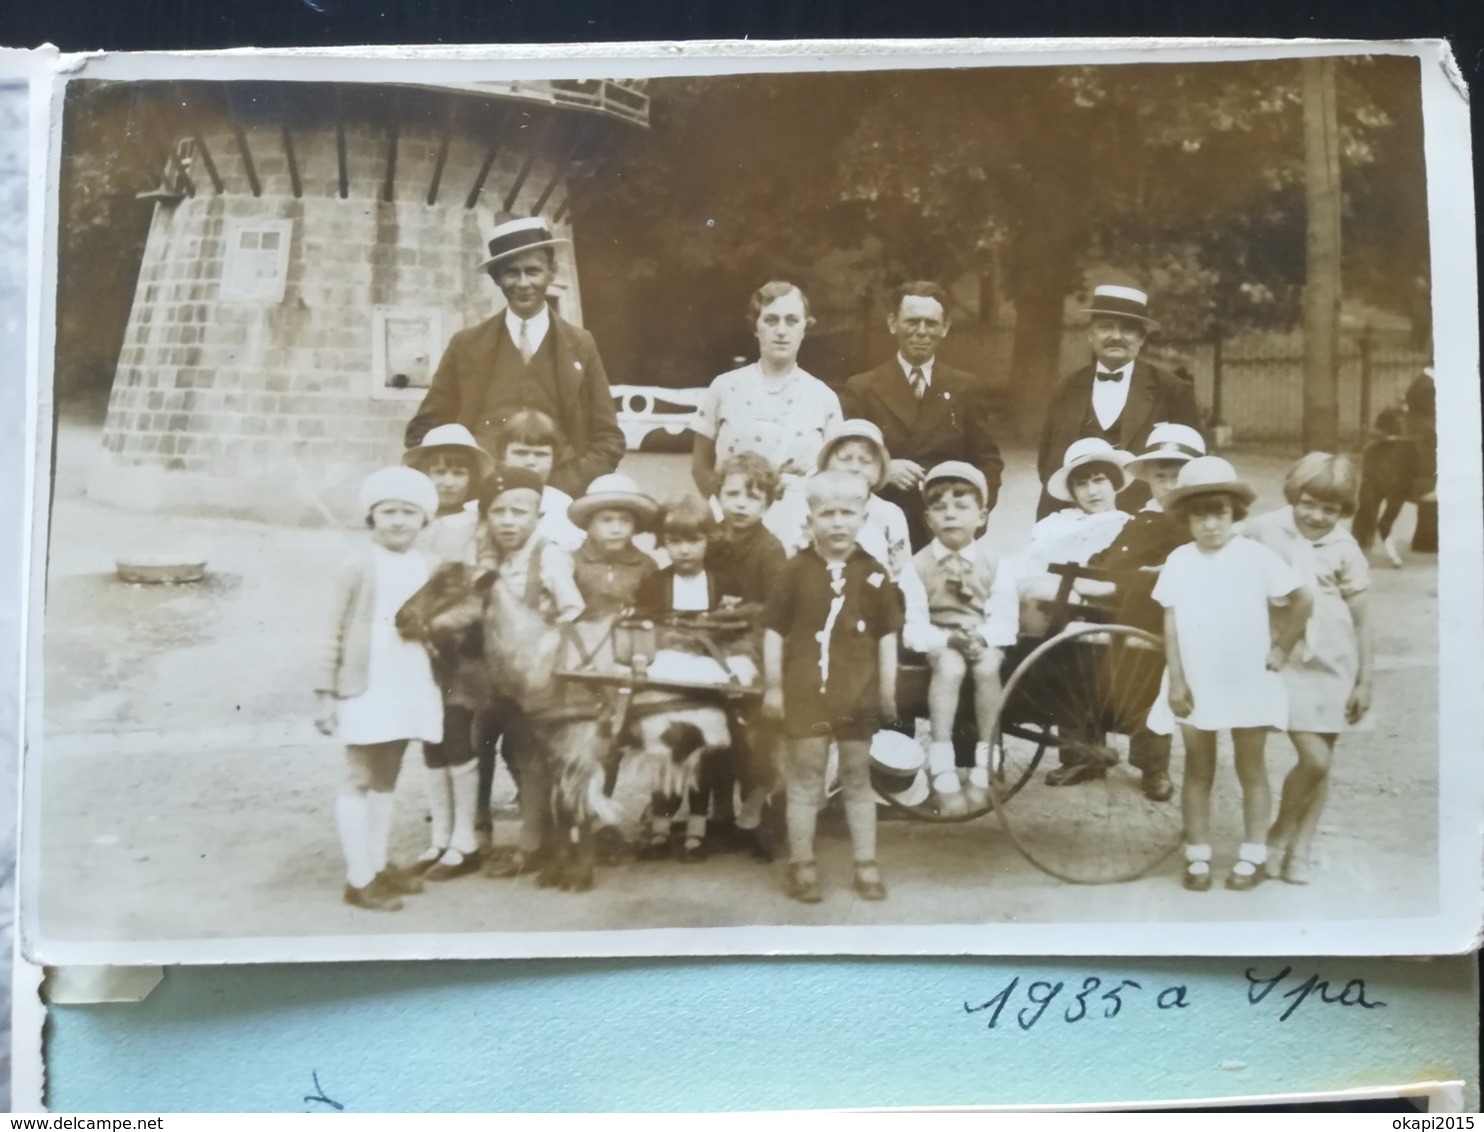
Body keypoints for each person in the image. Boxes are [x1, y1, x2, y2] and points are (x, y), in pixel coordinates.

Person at [1151, 456, 1312, 892]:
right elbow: (1171, 622)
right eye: (1199, 514)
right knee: (1198, 769)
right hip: (1197, 679)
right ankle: (1198, 856)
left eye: (1219, 512)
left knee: (1251, 767)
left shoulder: (1254, 556)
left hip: (1246, 678)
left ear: (1234, 513)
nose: (1210, 524)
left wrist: (1282, 647)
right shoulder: (1180, 561)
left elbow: (1301, 599)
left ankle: (1253, 855)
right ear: (1186, 517)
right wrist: (1178, 680)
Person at [405, 217, 626, 497]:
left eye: (533, 271)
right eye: (512, 273)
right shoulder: (466, 345)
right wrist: (468, 480)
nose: (523, 283)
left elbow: (609, 439)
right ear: (497, 277)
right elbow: (423, 431)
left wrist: (564, 488)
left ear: (552, 271)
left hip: (560, 496)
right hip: (481, 496)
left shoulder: (581, 344)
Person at [763, 471, 903, 904]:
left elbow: (886, 635)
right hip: (806, 691)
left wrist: (887, 690)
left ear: (863, 517)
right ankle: (802, 864)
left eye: (848, 513)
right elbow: (773, 632)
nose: (838, 523)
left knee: (858, 778)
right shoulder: (793, 571)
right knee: (806, 780)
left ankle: (865, 862)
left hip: (856, 693)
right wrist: (773, 687)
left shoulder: (874, 574)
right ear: (810, 520)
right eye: (827, 514)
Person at [314, 466, 444, 912]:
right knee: (358, 775)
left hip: (409, 680)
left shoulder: (428, 566)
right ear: (372, 516)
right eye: (388, 511)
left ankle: (378, 862)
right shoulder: (356, 565)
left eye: (410, 512)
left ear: (424, 520)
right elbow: (331, 630)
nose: (399, 521)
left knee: (388, 775)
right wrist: (326, 693)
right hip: (365, 683)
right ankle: (358, 877)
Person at [1245, 453, 1372, 885]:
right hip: (1282, 654)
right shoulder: (1263, 529)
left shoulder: (1345, 548)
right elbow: (1217, 543)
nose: (1317, 516)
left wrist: (1365, 679)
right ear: (1294, 495)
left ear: (1344, 511)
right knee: (1313, 759)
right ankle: (1278, 831)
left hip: (1333, 660)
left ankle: (1299, 848)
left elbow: (1362, 619)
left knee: (1324, 760)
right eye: (1309, 503)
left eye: (1330, 509)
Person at [1084, 422, 1208, 801]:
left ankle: (1153, 765)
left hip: (1156, 616)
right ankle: (1082, 752)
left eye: (1176, 476)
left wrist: (1135, 578)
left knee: (1151, 685)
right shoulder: (1140, 517)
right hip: (1114, 609)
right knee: (1081, 665)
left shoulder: (1191, 524)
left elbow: (1187, 573)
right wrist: (1095, 566)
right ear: (1149, 479)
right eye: (1160, 476)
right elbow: (1111, 554)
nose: (1168, 485)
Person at [472, 465, 585, 878]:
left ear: (537, 517)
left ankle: (533, 840)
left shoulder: (548, 554)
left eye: (518, 512)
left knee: (526, 749)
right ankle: (477, 829)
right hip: (495, 671)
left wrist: (547, 646)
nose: (507, 521)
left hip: (536, 675)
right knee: (479, 739)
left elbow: (573, 610)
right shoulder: (487, 555)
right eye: (498, 511)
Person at [840, 281, 1005, 549]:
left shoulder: (964, 386)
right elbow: (844, 465)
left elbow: (987, 461)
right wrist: (884, 469)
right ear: (893, 323)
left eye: (931, 323)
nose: (921, 332)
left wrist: (972, 518)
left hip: (943, 529)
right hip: (880, 528)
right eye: (912, 322)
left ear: (945, 327)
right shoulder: (862, 388)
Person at [401, 425, 496, 880]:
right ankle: (439, 835)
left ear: (471, 478)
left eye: (458, 471)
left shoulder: (479, 527)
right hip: (419, 647)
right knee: (430, 740)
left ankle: (466, 839)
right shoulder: (413, 524)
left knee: (458, 733)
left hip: (462, 648)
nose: (448, 480)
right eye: (439, 471)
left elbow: (479, 588)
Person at [903, 462, 1018, 816]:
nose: (950, 515)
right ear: (928, 520)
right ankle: (942, 765)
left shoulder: (996, 564)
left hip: (981, 641)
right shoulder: (917, 566)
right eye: (940, 507)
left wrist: (981, 637)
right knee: (950, 667)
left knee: (986, 667)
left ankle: (985, 764)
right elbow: (914, 625)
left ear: (981, 516)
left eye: (961, 506)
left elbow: (1005, 619)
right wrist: (946, 640)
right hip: (942, 642)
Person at [1036, 284, 1202, 520]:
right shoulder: (1065, 390)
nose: (1116, 336)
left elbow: (1193, 463)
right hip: (1077, 519)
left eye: (1127, 329)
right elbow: (1048, 464)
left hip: (1146, 520)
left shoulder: (1172, 389)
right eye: (1105, 327)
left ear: (1142, 338)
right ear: (1091, 334)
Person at [691, 281, 842, 500]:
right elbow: (700, 466)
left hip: (799, 523)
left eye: (792, 321)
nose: (781, 331)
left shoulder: (823, 397)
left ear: (804, 329)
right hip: (735, 520)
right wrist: (723, 510)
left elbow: (835, 474)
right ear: (755, 327)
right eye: (771, 320)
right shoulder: (725, 387)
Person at [568, 473, 661, 620]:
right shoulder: (571, 562)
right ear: (589, 525)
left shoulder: (646, 565)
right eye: (606, 520)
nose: (616, 529)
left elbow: (653, 611)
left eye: (625, 520)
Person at [493, 409, 587, 553]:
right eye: (521, 452)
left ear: (553, 459)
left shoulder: (563, 506)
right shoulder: (488, 500)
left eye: (541, 454)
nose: (530, 462)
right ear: (503, 456)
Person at [1405, 365, 1437, 554]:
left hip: (1425, 441)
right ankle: (1426, 541)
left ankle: (1427, 539)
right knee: (1430, 492)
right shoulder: (1427, 387)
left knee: (1432, 493)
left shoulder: (1424, 383)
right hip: (1426, 445)